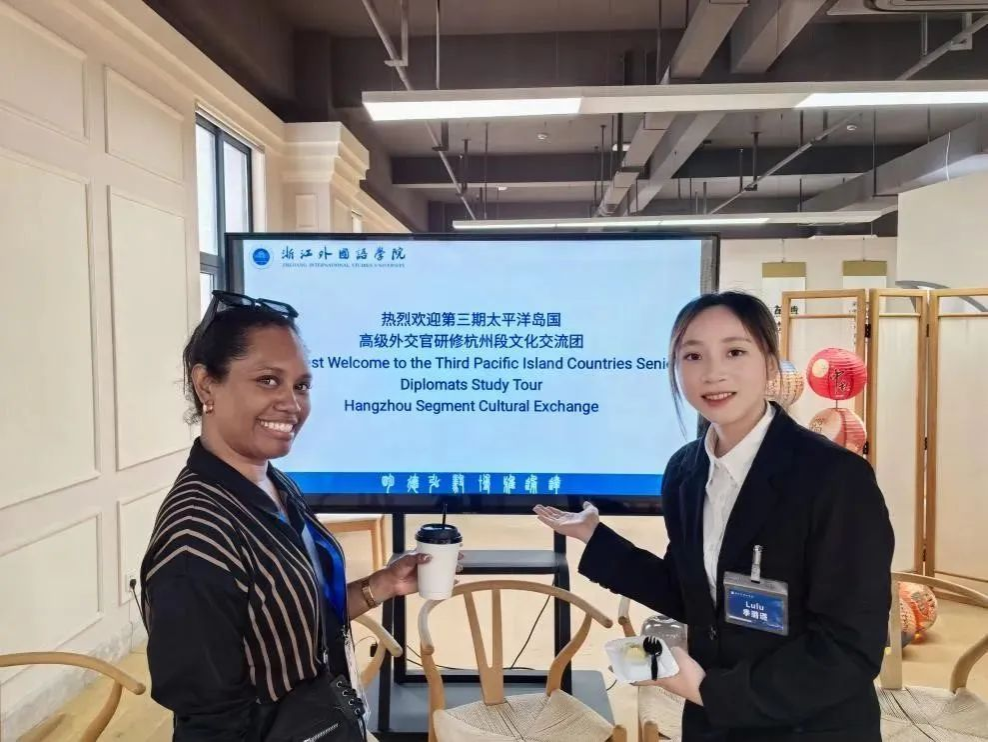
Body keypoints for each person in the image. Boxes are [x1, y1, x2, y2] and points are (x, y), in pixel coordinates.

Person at [535, 291, 894, 742]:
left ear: (770, 363)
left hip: (811, 725)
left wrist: (709, 691)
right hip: (715, 724)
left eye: (735, 351)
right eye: (693, 356)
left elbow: (849, 647)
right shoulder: (685, 472)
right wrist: (596, 537)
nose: (712, 373)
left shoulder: (834, 478)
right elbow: (690, 595)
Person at [141, 291, 447, 740]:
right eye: (268, 380)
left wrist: (381, 585)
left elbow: (294, 623)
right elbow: (211, 724)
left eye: (301, 386)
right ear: (206, 385)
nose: (292, 403)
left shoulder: (273, 483)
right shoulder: (196, 545)